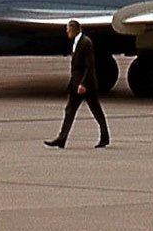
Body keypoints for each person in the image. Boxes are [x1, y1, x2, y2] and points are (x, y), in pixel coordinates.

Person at [44, 19, 110, 149]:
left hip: (86, 86)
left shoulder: (86, 43)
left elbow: (89, 66)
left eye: (68, 29)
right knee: (69, 110)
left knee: (96, 111)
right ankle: (61, 139)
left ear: (74, 30)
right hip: (76, 84)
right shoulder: (76, 42)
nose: (67, 32)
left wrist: (83, 84)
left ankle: (105, 137)